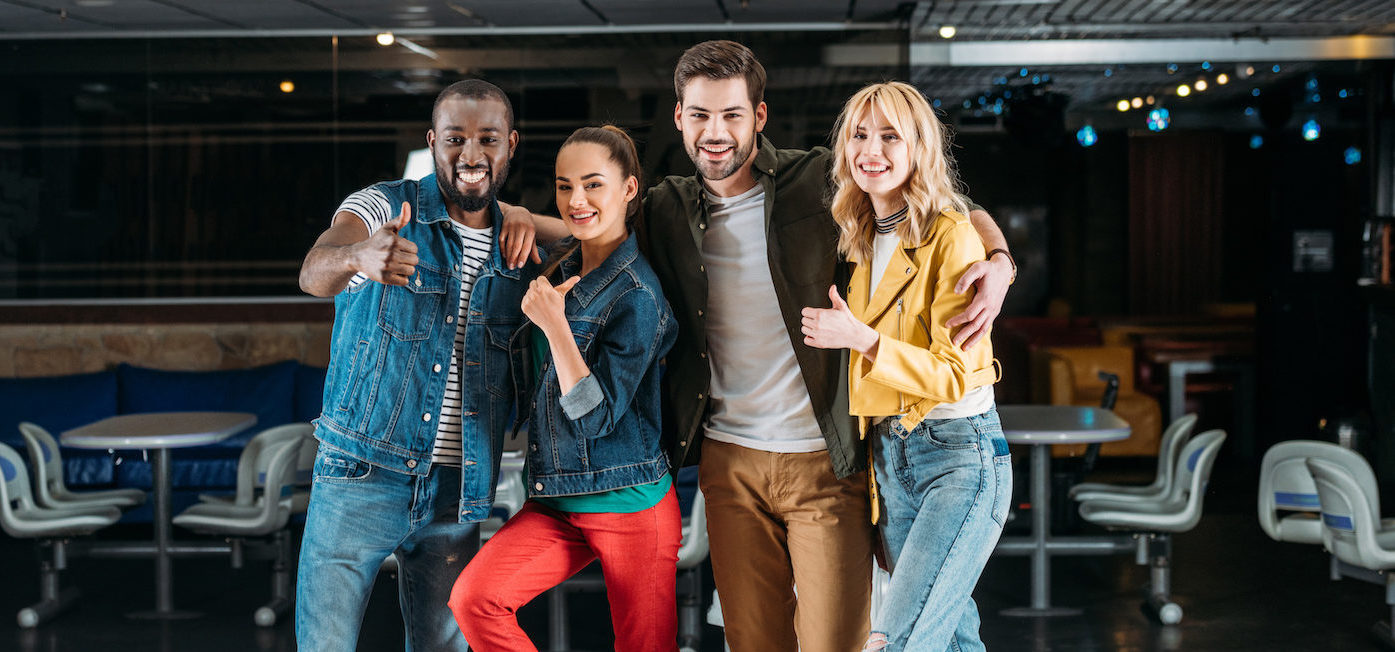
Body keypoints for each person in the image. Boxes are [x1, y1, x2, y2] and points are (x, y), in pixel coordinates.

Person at [523, 40, 1014, 651]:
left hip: (826, 461)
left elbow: (945, 203)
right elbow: (592, 222)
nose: (715, 132)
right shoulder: (666, 210)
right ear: (680, 118)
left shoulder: (821, 182)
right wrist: (517, 219)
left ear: (759, 116)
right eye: (699, 115)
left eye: (732, 114)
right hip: (731, 466)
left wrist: (998, 259)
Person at [294, 79, 541, 652]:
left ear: (511, 146)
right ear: (433, 142)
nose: (471, 155)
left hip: (459, 489)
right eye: (455, 138)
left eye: (488, 139)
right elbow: (313, 272)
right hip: (361, 473)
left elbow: (599, 231)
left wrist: (525, 214)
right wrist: (361, 255)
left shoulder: (517, 246)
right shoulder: (386, 206)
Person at [448, 125, 680, 652]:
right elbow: (544, 225)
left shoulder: (639, 295)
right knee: (476, 599)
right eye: (564, 185)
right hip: (557, 497)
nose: (577, 200)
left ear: (628, 189)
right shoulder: (562, 263)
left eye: (594, 185)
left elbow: (596, 416)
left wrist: (554, 327)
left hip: (631, 502)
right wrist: (523, 216)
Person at [800, 81, 1011, 652]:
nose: (872, 150)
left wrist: (859, 339)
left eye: (890, 136)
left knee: (897, 640)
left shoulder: (951, 235)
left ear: (920, 146)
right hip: (892, 459)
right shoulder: (864, 234)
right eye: (860, 135)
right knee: (952, 639)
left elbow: (953, 374)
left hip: (957, 456)